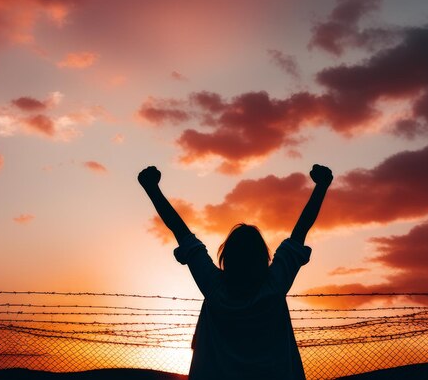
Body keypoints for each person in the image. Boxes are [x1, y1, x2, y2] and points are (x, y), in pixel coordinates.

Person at [138, 163, 333, 380]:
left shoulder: (214, 287)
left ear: (227, 258)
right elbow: (301, 230)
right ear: (263, 258)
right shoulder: (275, 284)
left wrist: (152, 189)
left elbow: (180, 230)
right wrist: (321, 186)